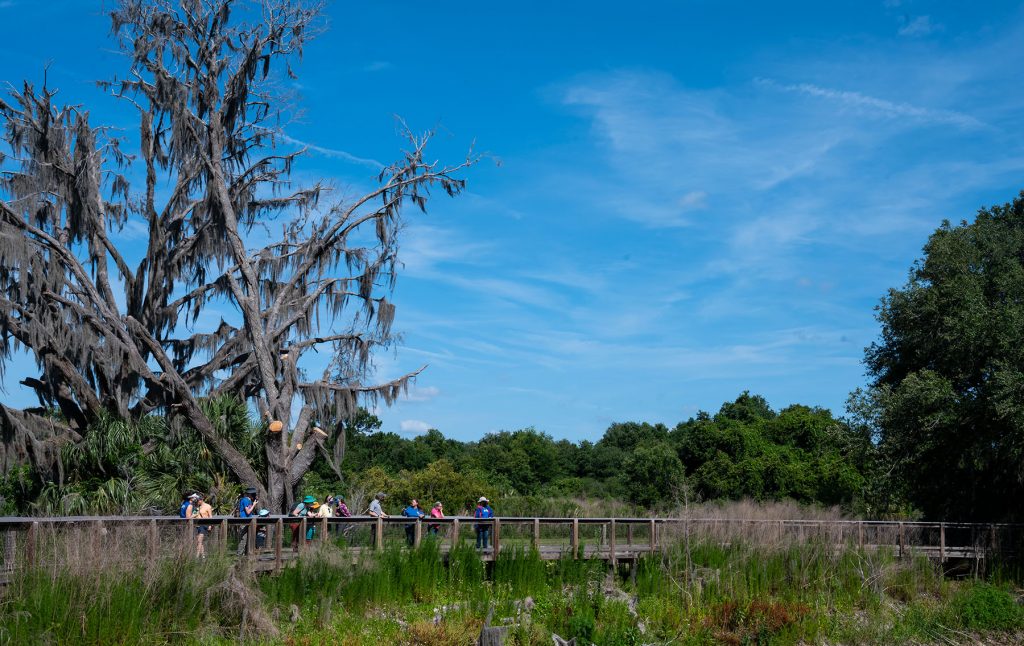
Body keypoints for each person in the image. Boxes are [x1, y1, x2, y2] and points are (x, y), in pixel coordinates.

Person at [236, 487, 258, 556]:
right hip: (244, 522)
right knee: (243, 539)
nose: (255, 496)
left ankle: (246, 554)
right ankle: (239, 555)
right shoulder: (245, 500)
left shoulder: (249, 501)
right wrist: (254, 505)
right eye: (254, 494)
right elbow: (248, 512)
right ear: (250, 494)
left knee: (249, 538)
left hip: (248, 522)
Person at [194, 492, 213, 558]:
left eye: (198, 500)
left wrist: (210, 525)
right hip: (197, 525)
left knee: (199, 541)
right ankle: (203, 556)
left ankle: (196, 557)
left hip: (204, 525)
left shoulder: (208, 506)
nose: (197, 502)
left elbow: (210, 516)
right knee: (199, 541)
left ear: (201, 500)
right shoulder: (196, 506)